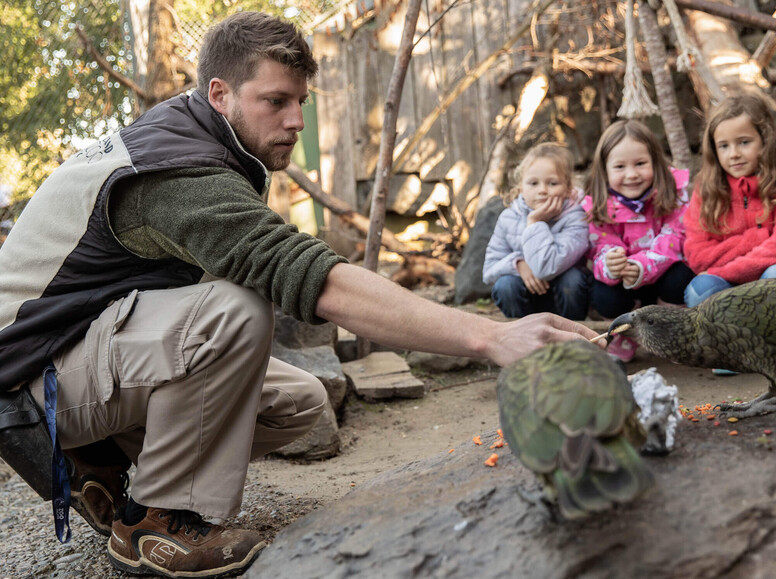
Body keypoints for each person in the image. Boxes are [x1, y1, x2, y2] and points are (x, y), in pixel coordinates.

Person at [0, 12, 599, 578]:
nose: (296, 121)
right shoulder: (175, 173)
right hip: (27, 380)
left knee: (302, 403)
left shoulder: (196, 139)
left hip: (77, 344)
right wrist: (489, 335)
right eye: (276, 102)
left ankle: (98, 460)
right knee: (234, 311)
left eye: (300, 103)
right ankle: (156, 524)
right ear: (219, 95)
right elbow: (307, 275)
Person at [682, 93, 776, 310]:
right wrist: (758, 237)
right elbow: (698, 256)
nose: (734, 154)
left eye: (744, 142)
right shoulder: (706, 188)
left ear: (765, 140)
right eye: (724, 146)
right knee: (700, 290)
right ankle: (728, 343)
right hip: (727, 284)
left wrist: (723, 268)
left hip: (775, 274)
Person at [582, 119, 694, 362]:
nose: (631, 174)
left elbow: (675, 237)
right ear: (605, 170)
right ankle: (627, 333)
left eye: (641, 164)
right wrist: (612, 264)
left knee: (681, 276)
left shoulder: (673, 195)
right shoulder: (597, 205)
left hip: (659, 276)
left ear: (656, 162)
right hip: (624, 283)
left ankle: (667, 331)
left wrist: (642, 266)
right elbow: (600, 245)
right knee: (603, 294)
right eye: (620, 167)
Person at [482, 142, 591, 320]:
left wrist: (535, 221)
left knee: (573, 278)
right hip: (527, 299)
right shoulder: (508, 218)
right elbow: (489, 270)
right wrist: (518, 265)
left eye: (553, 183)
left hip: (564, 299)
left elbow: (546, 269)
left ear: (567, 188)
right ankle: (522, 338)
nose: (542, 190)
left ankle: (572, 338)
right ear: (521, 189)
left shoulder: (576, 216)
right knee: (506, 284)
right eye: (533, 183)